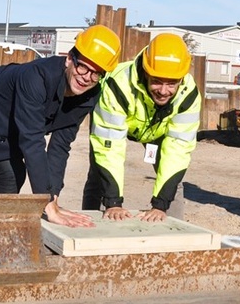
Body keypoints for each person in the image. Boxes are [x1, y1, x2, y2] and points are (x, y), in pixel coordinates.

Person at [0, 25, 121, 227]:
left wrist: (52, 197)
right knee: (10, 179)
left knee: (7, 181)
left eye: (96, 73)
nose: (87, 77)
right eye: (83, 67)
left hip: (9, 120)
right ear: (69, 59)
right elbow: (32, 141)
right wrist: (45, 203)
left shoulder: (89, 95)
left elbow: (60, 146)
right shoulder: (37, 77)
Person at [81, 33, 201, 222]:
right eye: (156, 81)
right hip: (121, 122)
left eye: (171, 84)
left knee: (173, 182)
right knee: (98, 172)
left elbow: (178, 151)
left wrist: (160, 205)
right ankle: (89, 225)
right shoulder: (117, 85)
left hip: (158, 128)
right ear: (145, 71)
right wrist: (113, 202)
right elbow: (109, 147)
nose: (163, 91)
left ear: (182, 78)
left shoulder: (189, 96)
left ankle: (172, 231)